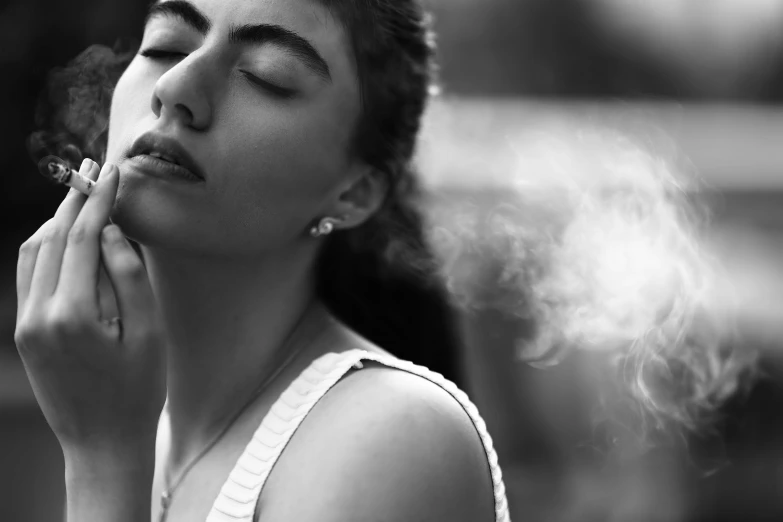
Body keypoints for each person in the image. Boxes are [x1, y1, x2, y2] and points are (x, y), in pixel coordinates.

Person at [14, 1, 508, 521]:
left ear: (354, 193)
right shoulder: (126, 421)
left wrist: (102, 461)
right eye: (166, 47)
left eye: (265, 77)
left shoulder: (395, 435)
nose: (175, 89)